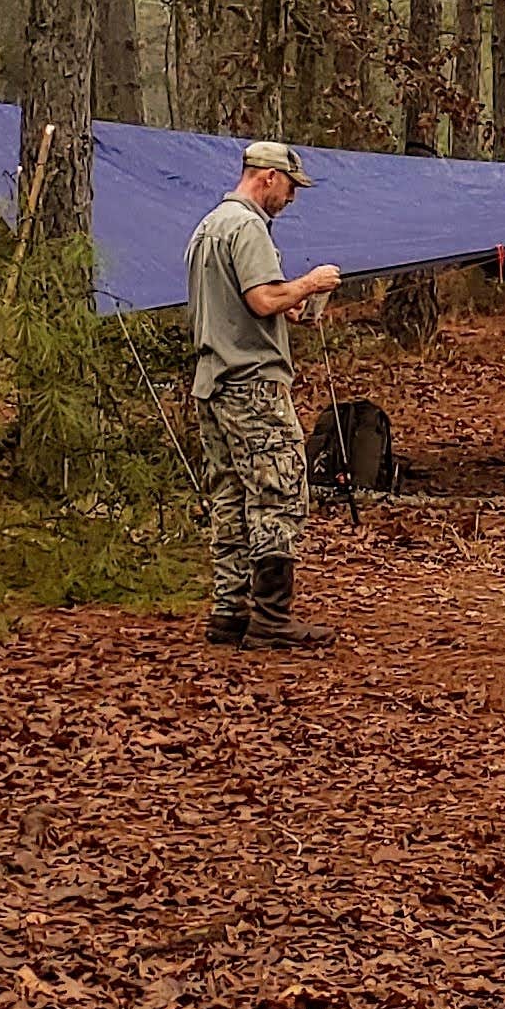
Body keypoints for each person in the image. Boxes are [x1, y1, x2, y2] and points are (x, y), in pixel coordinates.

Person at [184, 139, 344, 648]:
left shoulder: (207, 227)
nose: (292, 198)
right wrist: (309, 284)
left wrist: (287, 305)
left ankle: (229, 611)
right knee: (278, 493)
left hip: (212, 382)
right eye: (290, 186)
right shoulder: (248, 225)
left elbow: (243, 301)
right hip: (252, 385)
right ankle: (272, 618)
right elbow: (260, 298)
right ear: (268, 177)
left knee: (229, 496)